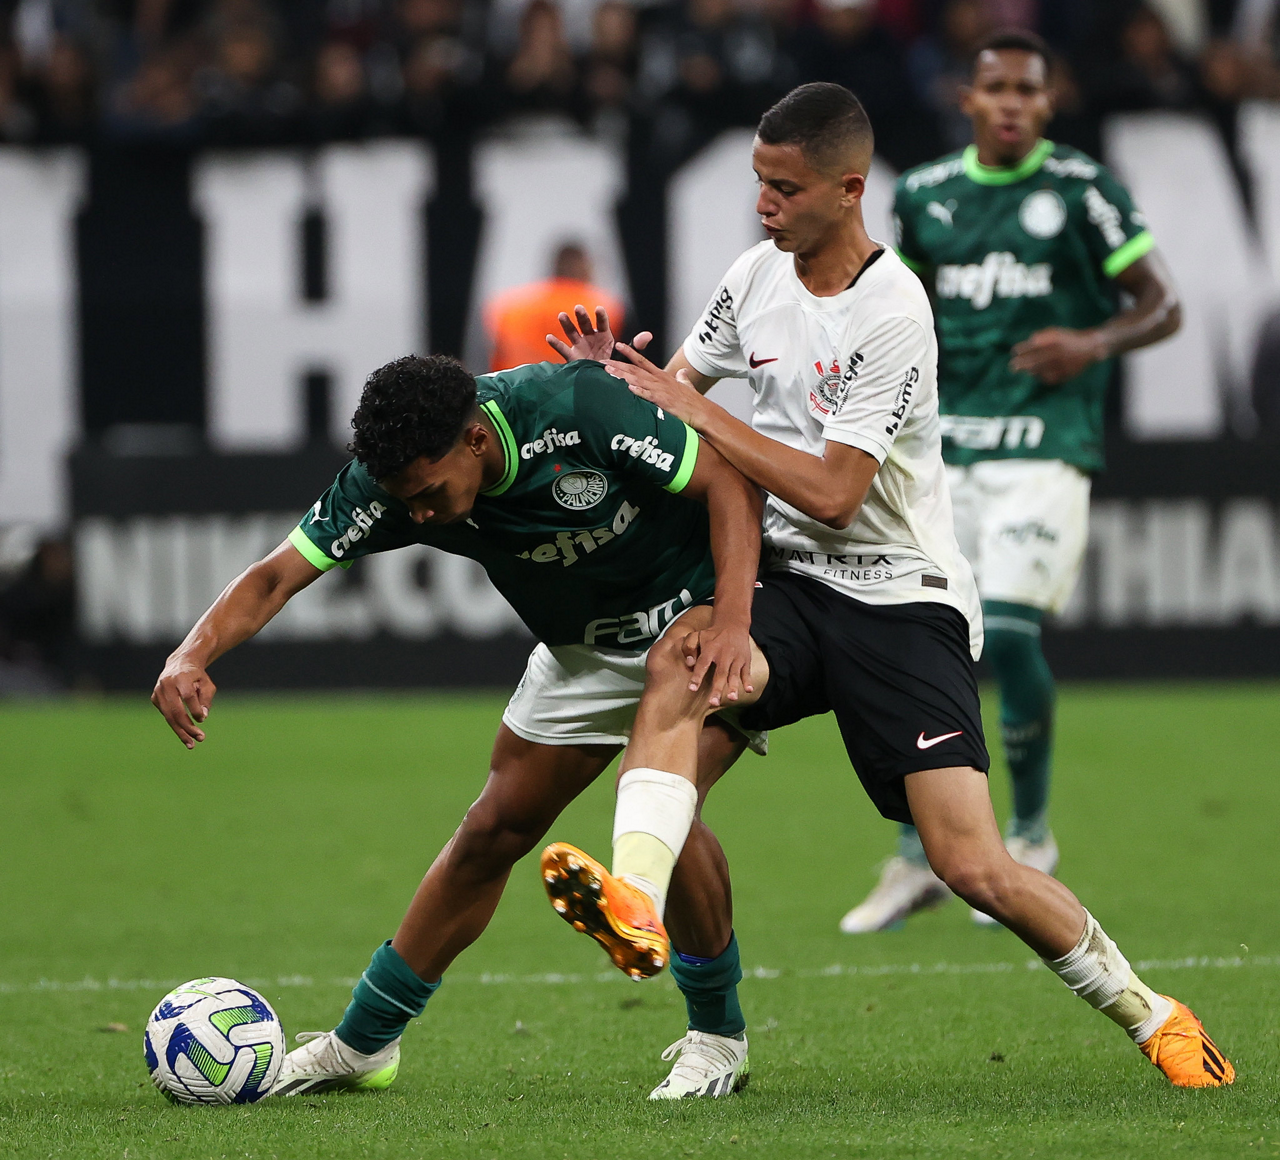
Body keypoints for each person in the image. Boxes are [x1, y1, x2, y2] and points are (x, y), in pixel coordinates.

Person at [542, 81, 1232, 1088]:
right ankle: (662, 949)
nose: (763, 204)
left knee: (972, 866)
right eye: (758, 182)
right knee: (675, 698)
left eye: (784, 188)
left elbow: (832, 492)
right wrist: (612, 384)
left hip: (900, 599)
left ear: (849, 189)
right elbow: (674, 393)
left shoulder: (893, 308)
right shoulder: (752, 277)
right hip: (790, 586)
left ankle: (1152, 1014)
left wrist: (691, 409)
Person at [151, 349, 768, 1100]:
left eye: (427, 494)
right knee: (490, 832)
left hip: (697, 624)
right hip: (583, 652)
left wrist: (734, 619)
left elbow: (727, 484)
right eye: (403, 500)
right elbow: (277, 574)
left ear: (476, 441)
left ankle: (717, 1037)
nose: (417, 514)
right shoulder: (389, 485)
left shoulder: (577, 407)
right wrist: (192, 652)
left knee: (665, 811)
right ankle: (362, 1044)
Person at [840, 29, 1182, 935]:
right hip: (944, 449)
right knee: (918, 640)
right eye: (997, 89)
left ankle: (1029, 835)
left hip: (1045, 442)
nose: (1012, 105)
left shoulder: (1081, 189)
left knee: (1014, 633)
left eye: (1028, 91)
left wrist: (1092, 342)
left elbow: (1163, 304)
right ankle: (917, 855)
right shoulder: (925, 195)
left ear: (1049, 100)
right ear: (969, 98)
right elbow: (899, 312)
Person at [484, 243, 625, 371]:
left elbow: (495, 359)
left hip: (516, 387)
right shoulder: (605, 308)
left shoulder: (509, 305)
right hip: (575, 388)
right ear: (586, 268)